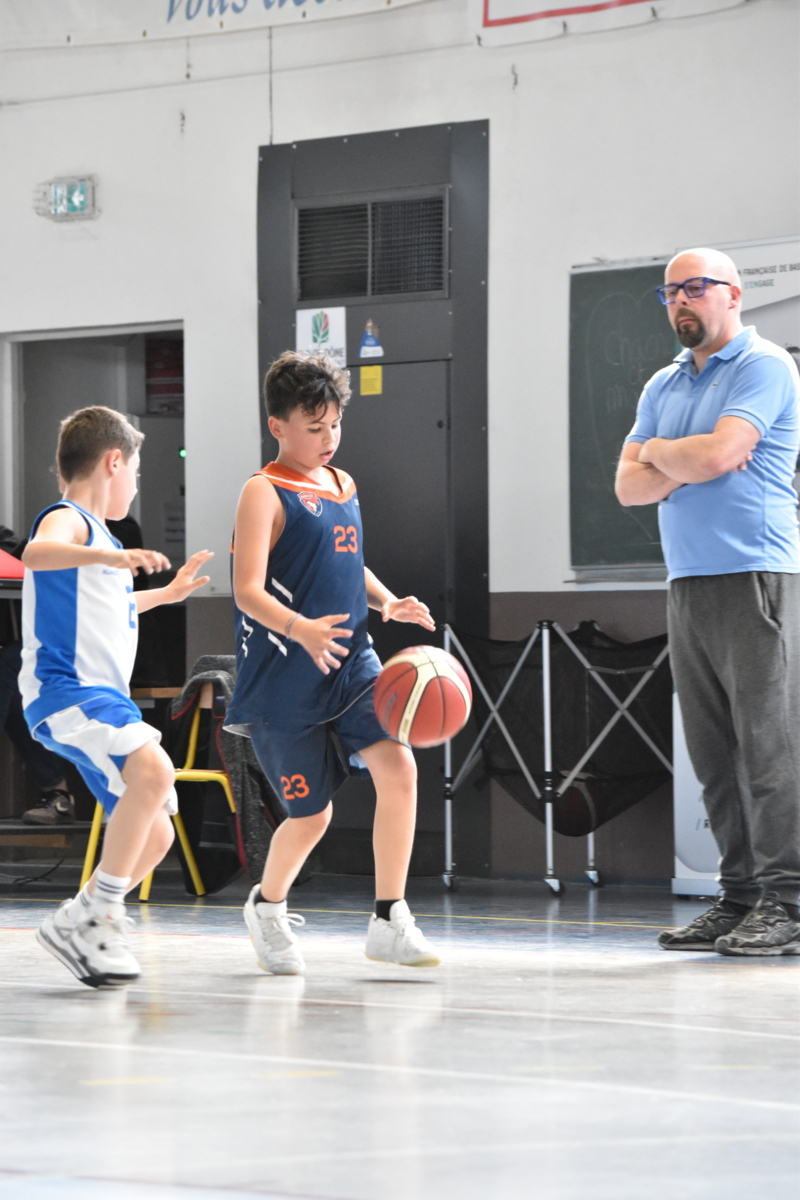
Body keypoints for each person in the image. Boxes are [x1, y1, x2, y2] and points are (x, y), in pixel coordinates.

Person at [226, 351, 440, 975]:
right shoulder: (263, 491)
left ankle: (389, 918)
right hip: (283, 682)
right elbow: (246, 590)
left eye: (336, 424)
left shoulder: (343, 485)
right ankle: (266, 906)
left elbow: (346, 562)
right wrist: (299, 629)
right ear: (278, 426)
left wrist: (387, 601)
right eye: (314, 427)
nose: (329, 438)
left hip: (351, 664)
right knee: (312, 816)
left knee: (399, 768)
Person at [616, 247, 800, 956]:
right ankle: (740, 898)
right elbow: (626, 487)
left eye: (695, 287)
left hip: (757, 574)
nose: (681, 302)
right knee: (714, 755)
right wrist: (678, 455)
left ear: (733, 294)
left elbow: (722, 457)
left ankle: (787, 902)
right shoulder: (663, 382)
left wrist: (659, 455)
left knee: (769, 748)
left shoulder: (763, 366)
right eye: (670, 292)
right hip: (687, 581)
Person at [20, 406, 213, 987]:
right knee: (155, 769)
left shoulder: (97, 538)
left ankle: (75, 919)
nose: (135, 481)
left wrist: (165, 595)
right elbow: (35, 553)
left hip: (104, 699)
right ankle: (103, 916)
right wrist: (111, 557)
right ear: (113, 462)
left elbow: (108, 605)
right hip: (67, 689)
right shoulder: (69, 520)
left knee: (154, 834)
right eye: (136, 470)